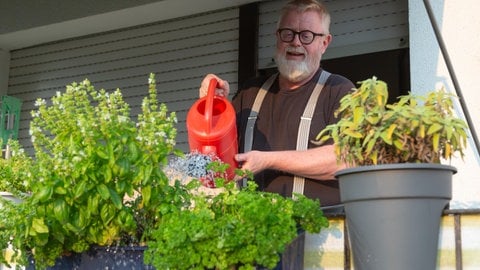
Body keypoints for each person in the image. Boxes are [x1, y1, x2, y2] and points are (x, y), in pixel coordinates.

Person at [199, 0, 354, 208]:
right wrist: (212, 106)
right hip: (250, 227)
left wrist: (268, 160)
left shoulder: (339, 91)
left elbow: (348, 159)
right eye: (288, 33)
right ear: (277, 37)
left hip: (319, 231)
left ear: (324, 43)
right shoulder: (250, 92)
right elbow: (217, 157)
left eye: (306, 35)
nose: (296, 42)